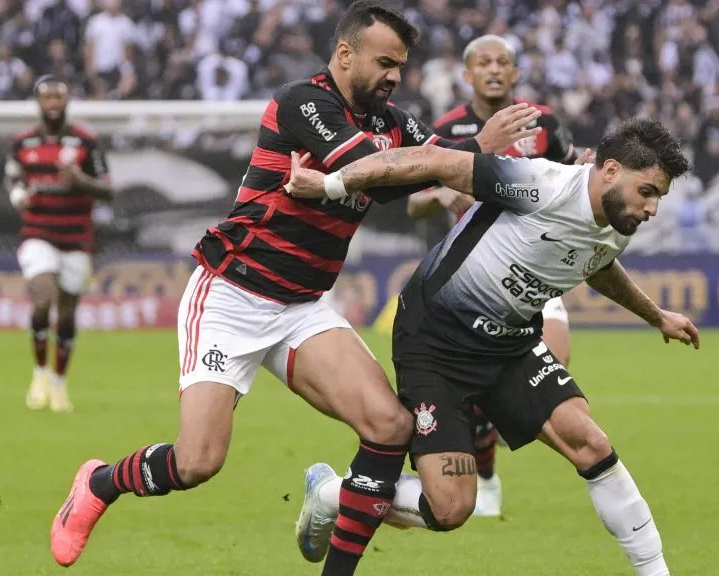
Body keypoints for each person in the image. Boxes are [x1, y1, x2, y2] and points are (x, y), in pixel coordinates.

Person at [48, 2, 538, 574]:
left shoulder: (392, 123)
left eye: (400, 66)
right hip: (231, 294)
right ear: (345, 53)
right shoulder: (302, 102)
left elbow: (431, 166)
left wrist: (498, 167)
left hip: (302, 307)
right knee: (198, 461)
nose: (394, 77)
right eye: (384, 63)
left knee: (389, 426)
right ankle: (101, 482)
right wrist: (464, 151)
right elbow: (371, 167)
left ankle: (335, 546)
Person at [289, 117, 699, 576]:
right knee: (450, 508)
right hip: (435, 343)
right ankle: (332, 491)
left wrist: (655, 315)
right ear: (609, 170)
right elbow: (433, 160)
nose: (653, 208)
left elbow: (596, 262)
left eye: (658, 196)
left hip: (511, 346)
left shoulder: (618, 223)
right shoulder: (540, 183)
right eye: (647, 191)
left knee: (590, 442)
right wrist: (330, 183)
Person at [405, 34, 583, 517]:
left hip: (536, 269)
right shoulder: (447, 128)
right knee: (480, 388)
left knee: (554, 362)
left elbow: (574, 177)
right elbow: (412, 199)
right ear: (467, 75)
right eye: (483, 62)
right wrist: (440, 194)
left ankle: (482, 447)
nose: (494, 70)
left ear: (516, 72)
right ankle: (479, 471)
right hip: (475, 278)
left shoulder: (542, 123)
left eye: (503, 61)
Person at [5, 74, 113, 413]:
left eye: (59, 97)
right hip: (38, 233)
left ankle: (58, 382)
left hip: (76, 239)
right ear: (38, 101)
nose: (53, 103)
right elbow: (12, 177)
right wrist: (17, 194)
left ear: (67, 101)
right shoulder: (23, 142)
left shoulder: (86, 141)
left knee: (66, 314)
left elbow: (109, 189)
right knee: (42, 299)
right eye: (47, 97)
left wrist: (80, 181)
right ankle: (38, 373)